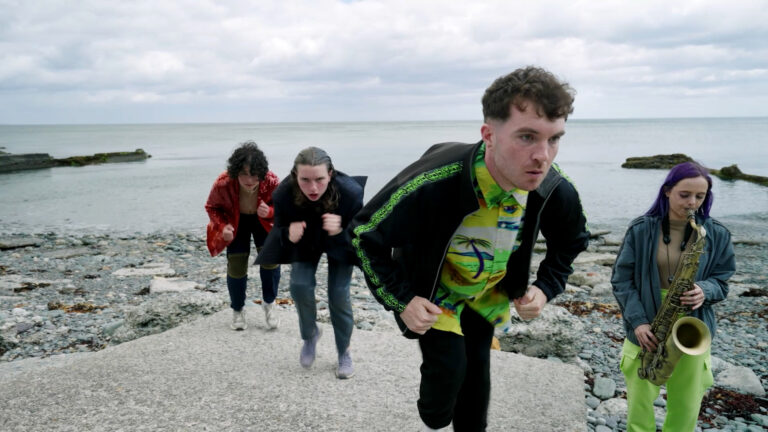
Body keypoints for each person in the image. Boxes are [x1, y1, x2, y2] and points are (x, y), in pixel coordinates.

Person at [349, 66, 590, 431]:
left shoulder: (553, 188)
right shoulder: (432, 182)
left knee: (476, 386)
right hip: (435, 293)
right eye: (527, 137)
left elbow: (571, 242)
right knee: (439, 405)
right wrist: (402, 300)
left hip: (487, 294)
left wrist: (546, 287)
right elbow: (362, 234)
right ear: (488, 135)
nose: (543, 156)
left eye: (554, 139)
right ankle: (435, 409)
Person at [611, 161, 735, 432]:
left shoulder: (716, 234)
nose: (692, 203)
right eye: (684, 195)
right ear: (667, 191)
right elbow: (621, 280)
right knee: (639, 409)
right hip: (646, 327)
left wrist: (706, 290)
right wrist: (639, 322)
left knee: (686, 410)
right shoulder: (641, 230)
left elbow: (722, 282)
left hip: (692, 328)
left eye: (700, 197)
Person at [257, 147, 365, 379]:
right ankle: (310, 334)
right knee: (299, 286)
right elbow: (278, 228)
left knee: (338, 294)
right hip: (306, 239)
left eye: (319, 179)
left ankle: (344, 351)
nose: (313, 187)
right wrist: (287, 233)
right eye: (305, 180)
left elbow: (364, 232)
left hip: (338, 240)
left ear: (331, 175)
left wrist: (343, 229)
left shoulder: (351, 193)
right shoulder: (284, 193)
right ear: (295, 176)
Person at [205, 141, 282, 331]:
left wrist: (270, 211)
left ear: (262, 173)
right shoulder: (223, 183)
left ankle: (269, 303)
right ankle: (238, 310)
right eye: (244, 174)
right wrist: (222, 227)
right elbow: (212, 207)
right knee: (237, 265)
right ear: (235, 171)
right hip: (235, 222)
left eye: (255, 175)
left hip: (261, 221)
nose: (249, 179)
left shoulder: (271, 181)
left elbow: (285, 207)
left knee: (271, 261)